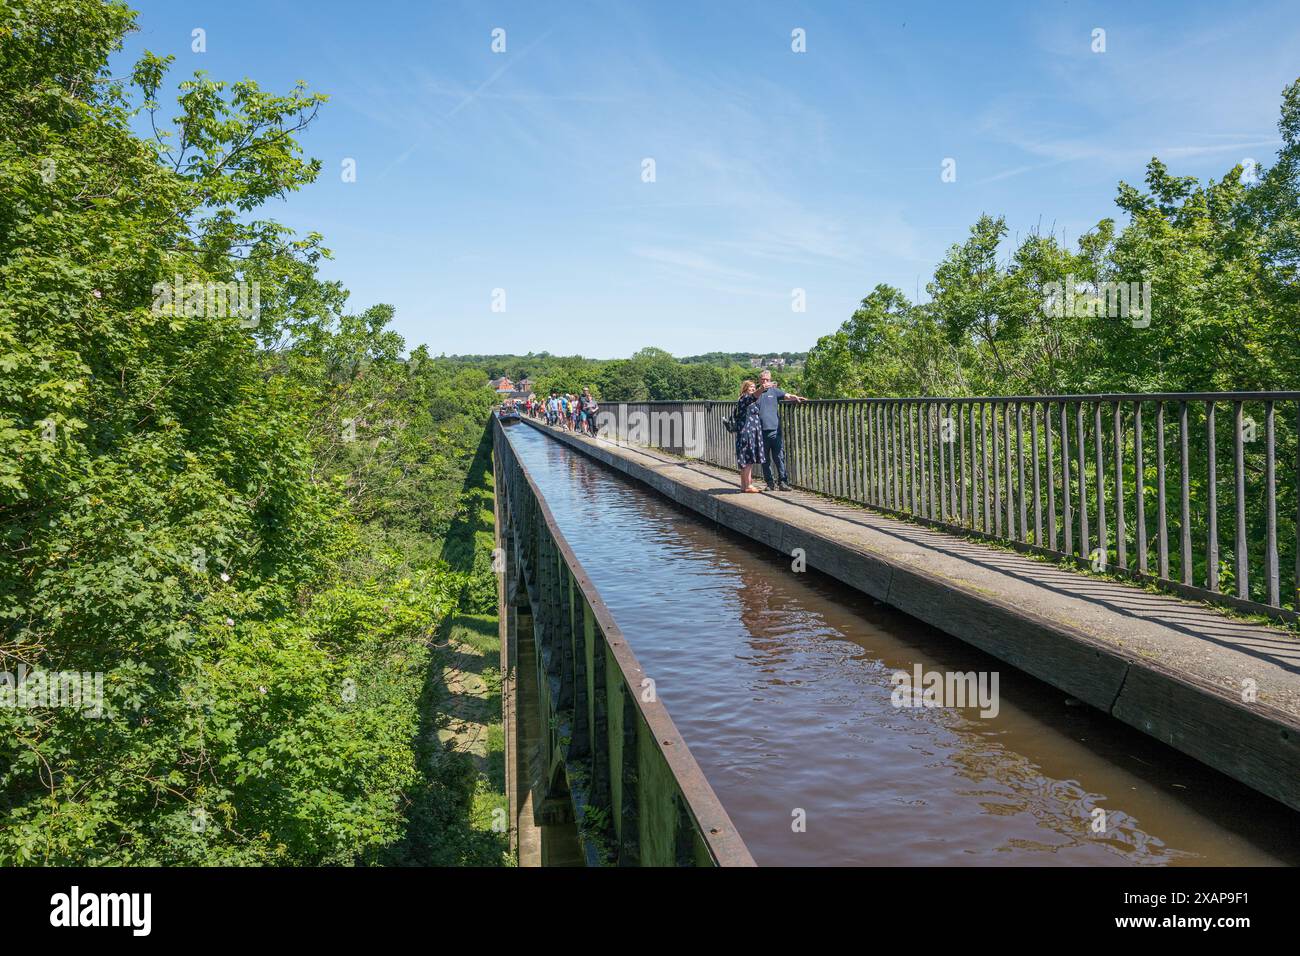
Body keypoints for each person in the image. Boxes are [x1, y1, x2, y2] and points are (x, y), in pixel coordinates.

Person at [754, 369, 806, 491]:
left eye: (767, 379)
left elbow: (787, 395)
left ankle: (783, 482)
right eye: (763, 379)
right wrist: (761, 389)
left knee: (779, 457)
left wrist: (796, 397)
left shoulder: (774, 391)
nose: (765, 381)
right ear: (759, 380)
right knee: (765, 460)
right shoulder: (756, 393)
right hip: (761, 431)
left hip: (775, 431)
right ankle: (770, 483)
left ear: (770, 379)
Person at [733, 380, 766, 493]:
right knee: (747, 459)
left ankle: (744, 485)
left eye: (754, 387)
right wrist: (762, 389)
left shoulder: (744, 399)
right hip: (747, 433)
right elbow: (753, 397)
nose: (752, 388)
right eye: (750, 387)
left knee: (747, 459)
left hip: (749, 432)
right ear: (745, 388)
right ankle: (748, 486)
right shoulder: (745, 398)